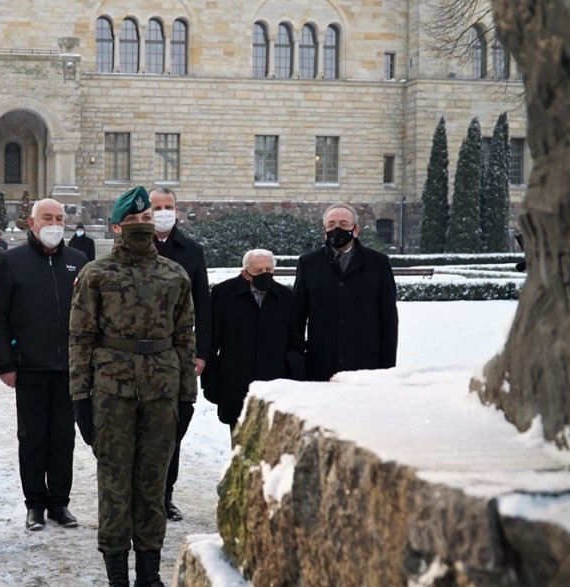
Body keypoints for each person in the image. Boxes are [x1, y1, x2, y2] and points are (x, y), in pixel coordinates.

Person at [69, 186, 196, 587]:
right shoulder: (96, 273)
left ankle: (149, 573)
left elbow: (185, 337)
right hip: (112, 393)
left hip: (162, 391)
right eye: (134, 220)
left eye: (147, 220)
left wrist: (187, 395)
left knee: (153, 484)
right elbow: (81, 339)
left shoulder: (175, 274)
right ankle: (117, 575)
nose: (142, 225)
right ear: (116, 227)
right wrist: (80, 397)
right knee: (114, 483)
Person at [0, 198, 88, 531]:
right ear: (32, 223)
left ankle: (60, 503)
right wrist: (5, 362)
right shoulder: (12, 262)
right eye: (47, 217)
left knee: (63, 438)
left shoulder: (79, 260)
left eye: (60, 217)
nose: (55, 223)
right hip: (28, 366)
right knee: (32, 439)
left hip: (68, 368)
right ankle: (34, 504)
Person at [148, 186, 210, 523]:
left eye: (168, 206)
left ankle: (166, 494)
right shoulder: (133, 247)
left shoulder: (192, 250)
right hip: (142, 353)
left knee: (174, 428)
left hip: (179, 352)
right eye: (156, 207)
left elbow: (204, 304)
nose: (162, 212)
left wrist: (202, 353)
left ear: (177, 209)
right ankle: (144, 495)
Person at [201, 249, 305, 438]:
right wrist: (211, 384)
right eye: (259, 271)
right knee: (241, 444)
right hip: (235, 383)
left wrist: (293, 376)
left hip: (275, 385)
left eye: (269, 269)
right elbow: (211, 340)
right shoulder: (223, 294)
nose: (265, 274)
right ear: (245, 273)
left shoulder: (287, 298)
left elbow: (295, 342)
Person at [293, 203, 398, 382]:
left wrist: (387, 368)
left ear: (355, 230)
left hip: (365, 362)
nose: (337, 229)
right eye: (331, 225)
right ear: (324, 229)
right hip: (320, 361)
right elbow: (297, 315)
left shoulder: (378, 263)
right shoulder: (308, 263)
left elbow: (388, 318)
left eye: (343, 224)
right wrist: (297, 361)